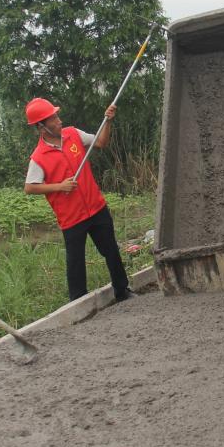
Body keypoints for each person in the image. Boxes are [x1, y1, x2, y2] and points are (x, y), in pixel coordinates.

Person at [24, 98, 133, 303]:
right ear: (41, 127)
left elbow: (101, 142)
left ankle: (122, 290)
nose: (59, 121)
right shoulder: (39, 157)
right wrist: (59, 186)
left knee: (111, 250)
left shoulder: (73, 134)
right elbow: (29, 187)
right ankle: (79, 303)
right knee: (75, 262)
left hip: (96, 207)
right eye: (53, 119)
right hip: (72, 217)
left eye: (57, 116)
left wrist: (108, 121)